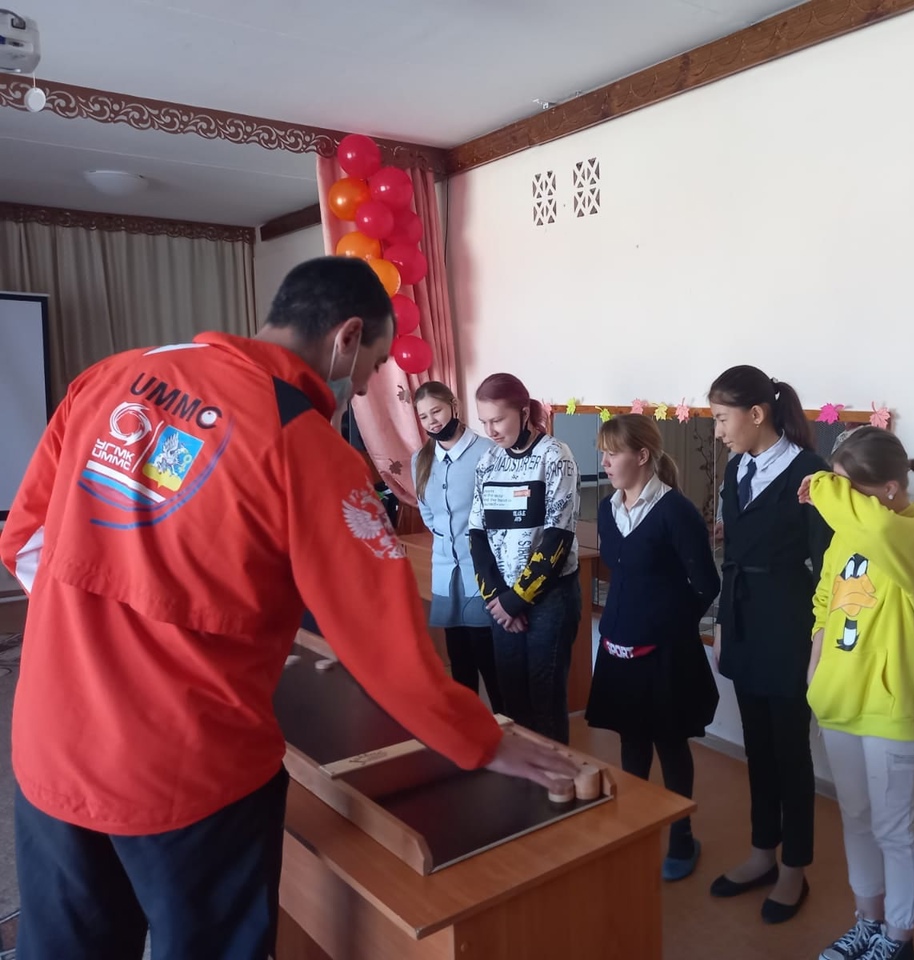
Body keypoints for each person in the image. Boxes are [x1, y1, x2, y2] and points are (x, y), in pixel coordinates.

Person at [0, 257, 577, 960]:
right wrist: (483, 740)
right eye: (373, 364)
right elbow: (383, 643)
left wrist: (99, 623)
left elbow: (22, 539)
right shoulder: (303, 443)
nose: (364, 386)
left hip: (50, 737)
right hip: (189, 767)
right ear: (346, 337)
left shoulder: (110, 376)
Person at [799, 427, 914, 960]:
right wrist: (817, 661)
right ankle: (868, 921)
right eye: (836, 485)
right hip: (839, 697)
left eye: (850, 488)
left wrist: (824, 486)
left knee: (894, 829)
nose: (839, 497)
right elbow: (825, 596)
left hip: (892, 703)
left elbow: (882, 533)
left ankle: (897, 939)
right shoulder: (850, 526)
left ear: (890, 489)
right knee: (857, 819)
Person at [706, 364, 832, 924]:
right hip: (742, 617)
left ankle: (794, 867)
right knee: (755, 745)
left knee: (790, 752)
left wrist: (819, 646)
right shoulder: (738, 469)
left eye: (722, 418)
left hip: (789, 624)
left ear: (756, 414)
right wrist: (720, 623)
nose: (717, 432)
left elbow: (828, 567)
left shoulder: (811, 473)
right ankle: (762, 851)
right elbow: (731, 555)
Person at [585, 414, 721, 882]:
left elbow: (706, 584)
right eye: (603, 453)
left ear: (642, 456)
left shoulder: (675, 512)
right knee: (631, 740)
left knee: (670, 742)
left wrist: (670, 629)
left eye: (613, 453)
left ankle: (682, 837)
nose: (605, 462)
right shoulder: (608, 511)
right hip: (619, 648)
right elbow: (624, 576)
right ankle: (635, 830)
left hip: (664, 653)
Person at [469, 373, 582, 744]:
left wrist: (518, 600)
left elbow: (557, 537)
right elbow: (477, 534)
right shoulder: (488, 461)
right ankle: (526, 775)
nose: (490, 431)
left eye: (498, 420)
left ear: (522, 411)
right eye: (484, 421)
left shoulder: (555, 456)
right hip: (502, 599)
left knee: (544, 699)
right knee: (512, 698)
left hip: (550, 597)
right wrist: (498, 598)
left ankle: (556, 775)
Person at [412, 381, 503, 714]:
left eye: (436, 411)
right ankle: (468, 729)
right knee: (459, 661)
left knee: (490, 661)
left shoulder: (487, 453)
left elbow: (499, 514)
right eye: (424, 416)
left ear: (454, 405)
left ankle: (506, 727)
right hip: (445, 573)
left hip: (483, 573)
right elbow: (428, 513)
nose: (432, 421)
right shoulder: (420, 459)